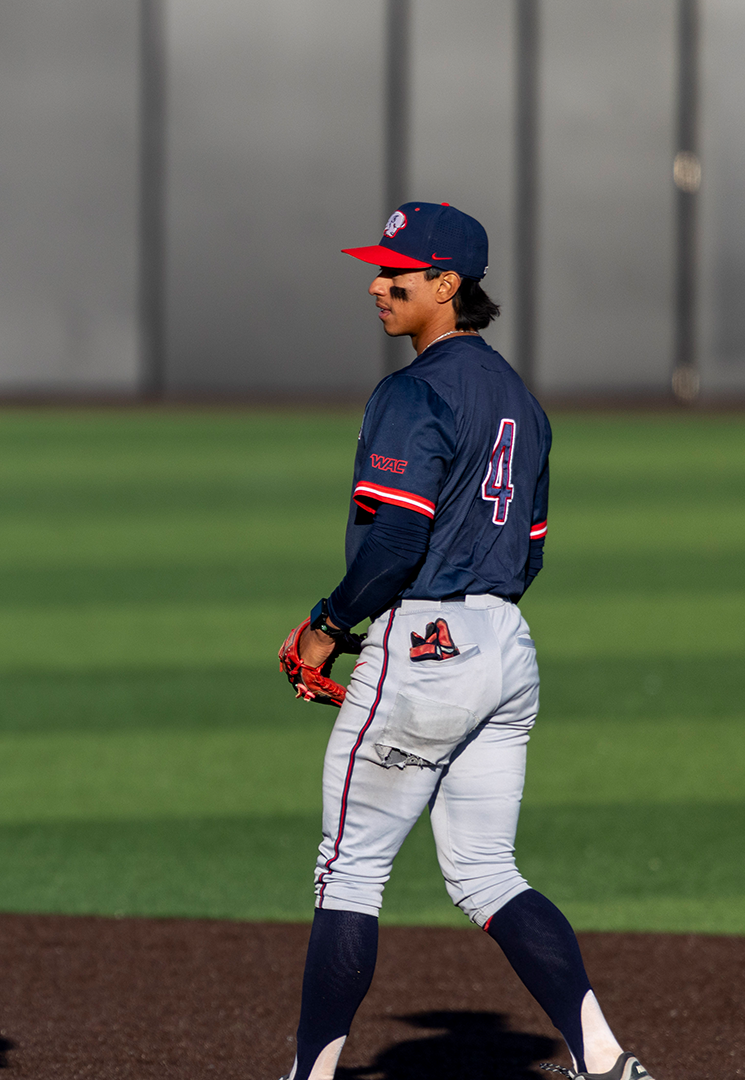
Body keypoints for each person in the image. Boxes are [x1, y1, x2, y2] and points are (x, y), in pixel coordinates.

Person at [272, 203, 656, 1080]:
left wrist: (330, 626)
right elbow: (530, 551)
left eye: (396, 272)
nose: (378, 284)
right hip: (506, 647)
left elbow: (397, 542)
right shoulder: (523, 401)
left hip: (426, 641)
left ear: (447, 285)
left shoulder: (412, 393)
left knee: (350, 873)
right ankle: (602, 1059)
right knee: (486, 871)